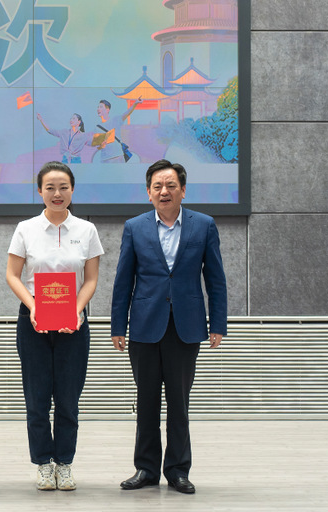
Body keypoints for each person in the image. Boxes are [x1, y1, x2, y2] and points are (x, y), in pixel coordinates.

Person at [110, 159, 227, 495]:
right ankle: (146, 469)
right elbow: (123, 281)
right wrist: (118, 325)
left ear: (183, 190)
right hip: (145, 326)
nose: (164, 191)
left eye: (171, 185)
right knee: (146, 401)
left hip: (186, 326)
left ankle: (177, 470)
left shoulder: (203, 225)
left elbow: (215, 279)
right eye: (158, 186)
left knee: (179, 402)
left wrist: (218, 323)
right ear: (148, 193)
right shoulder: (135, 227)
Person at [5, 161, 103, 491]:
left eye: (63, 187)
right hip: (33, 319)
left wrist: (76, 310)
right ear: (40, 191)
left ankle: (64, 463)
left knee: (68, 399)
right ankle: (43, 464)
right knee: (36, 399)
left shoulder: (86, 230)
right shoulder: (26, 228)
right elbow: (12, 275)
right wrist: (34, 307)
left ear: (72, 190)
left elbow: (91, 279)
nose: (57, 193)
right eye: (50, 187)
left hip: (74, 320)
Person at [91, 97, 142, 163]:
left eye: (101, 107)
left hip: (118, 157)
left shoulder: (115, 120)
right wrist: (102, 146)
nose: (98, 109)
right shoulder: (97, 128)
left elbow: (127, 114)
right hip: (105, 159)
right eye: (98, 107)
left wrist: (135, 104)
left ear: (107, 109)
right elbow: (98, 147)